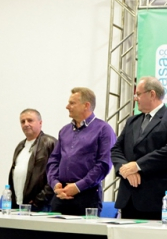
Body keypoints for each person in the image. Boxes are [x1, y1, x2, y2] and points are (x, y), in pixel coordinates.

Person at [111, 77, 167, 220]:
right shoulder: (132, 121)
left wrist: (137, 166)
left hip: (159, 202)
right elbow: (116, 149)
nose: (135, 98)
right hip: (129, 200)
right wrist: (126, 170)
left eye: (138, 94)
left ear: (152, 94)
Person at [46, 87, 116, 216]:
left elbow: (104, 164)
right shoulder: (64, 131)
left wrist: (78, 186)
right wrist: (55, 184)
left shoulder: (103, 129)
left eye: (72, 103)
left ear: (86, 105)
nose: (67, 107)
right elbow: (53, 160)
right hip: (61, 195)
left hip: (87, 196)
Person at [8, 109, 57, 211]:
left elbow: (56, 175)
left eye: (30, 120)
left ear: (40, 123)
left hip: (41, 206)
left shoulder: (50, 143)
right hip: (19, 205)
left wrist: (39, 200)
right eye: (23, 121)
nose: (26, 124)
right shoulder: (20, 146)